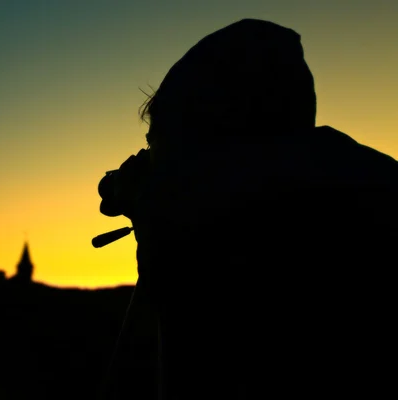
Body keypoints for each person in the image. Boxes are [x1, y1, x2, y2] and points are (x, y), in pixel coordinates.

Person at [99, 18, 398, 399]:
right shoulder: (352, 179)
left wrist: (156, 212)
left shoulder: (214, 230)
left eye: (158, 140)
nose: (149, 157)